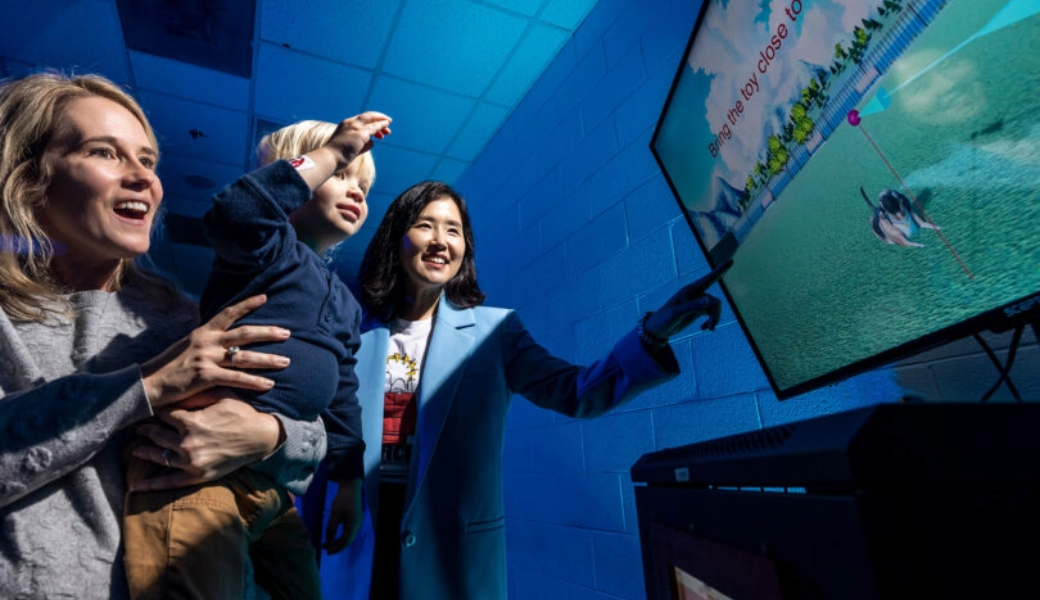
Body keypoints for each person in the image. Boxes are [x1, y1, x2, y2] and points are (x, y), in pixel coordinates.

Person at [305, 180, 731, 599]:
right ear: (395, 238)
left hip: (452, 558)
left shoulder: (496, 332)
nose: (440, 241)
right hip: (358, 541)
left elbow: (577, 391)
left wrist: (651, 336)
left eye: (453, 230)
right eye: (425, 225)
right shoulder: (352, 334)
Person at [0, 72, 326, 599]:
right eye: (105, 153)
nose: (142, 179)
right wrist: (147, 385)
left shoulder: (187, 317)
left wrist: (267, 437)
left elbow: (311, 433)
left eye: (148, 161)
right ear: (27, 176)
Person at [122, 113, 391, 599]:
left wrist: (349, 484)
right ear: (297, 175)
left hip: (273, 488)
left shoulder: (347, 302)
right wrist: (334, 149)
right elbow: (237, 212)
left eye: (365, 187)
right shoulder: (265, 250)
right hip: (195, 473)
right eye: (342, 173)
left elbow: (343, 400)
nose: (356, 191)